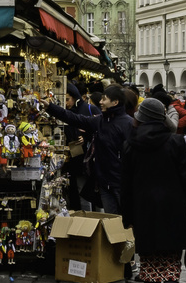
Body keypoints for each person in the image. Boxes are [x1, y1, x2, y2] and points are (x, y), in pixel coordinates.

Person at [119, 96, 186, 283]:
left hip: (143, 209)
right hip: (173, 207)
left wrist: (127, 216)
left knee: (149, 258)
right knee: (171, 258)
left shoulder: (130, 145)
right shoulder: (175, 143)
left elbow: (124, 185)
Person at [43, 84, 136, 213]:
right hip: (104, 183)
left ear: (115, 102)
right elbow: (74, 118)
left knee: (127, 219)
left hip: (121, 183)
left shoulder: (128, 124)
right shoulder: (100, 121)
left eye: (104, 99)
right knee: (111, 221)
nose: (101, 102)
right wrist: (50, 107)